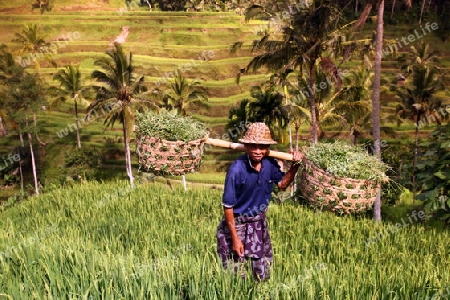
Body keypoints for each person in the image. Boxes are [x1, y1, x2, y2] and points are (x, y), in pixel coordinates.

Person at [216, 122, 303, 281]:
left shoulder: (270, 164)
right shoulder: (237, 170)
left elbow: (282, 185)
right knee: (233, 272)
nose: (257, 151)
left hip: (258, 221)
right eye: (253, 146)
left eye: (262, 147)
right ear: (246, 146)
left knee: (262, 269)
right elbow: (228, 207)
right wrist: (235, 239)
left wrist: (295, 166)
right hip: (238, 223)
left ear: (268, 148)